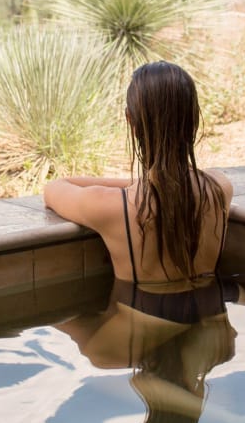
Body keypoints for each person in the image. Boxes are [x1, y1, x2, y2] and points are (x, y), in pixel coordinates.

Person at [42, 60, 233, 288]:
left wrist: (145, 183)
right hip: (213, 318)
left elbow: (53, 188)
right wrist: (160, 182)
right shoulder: (220, 188)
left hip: (143, 322)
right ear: (194, 119)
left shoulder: (109, 206)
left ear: (130, 121)